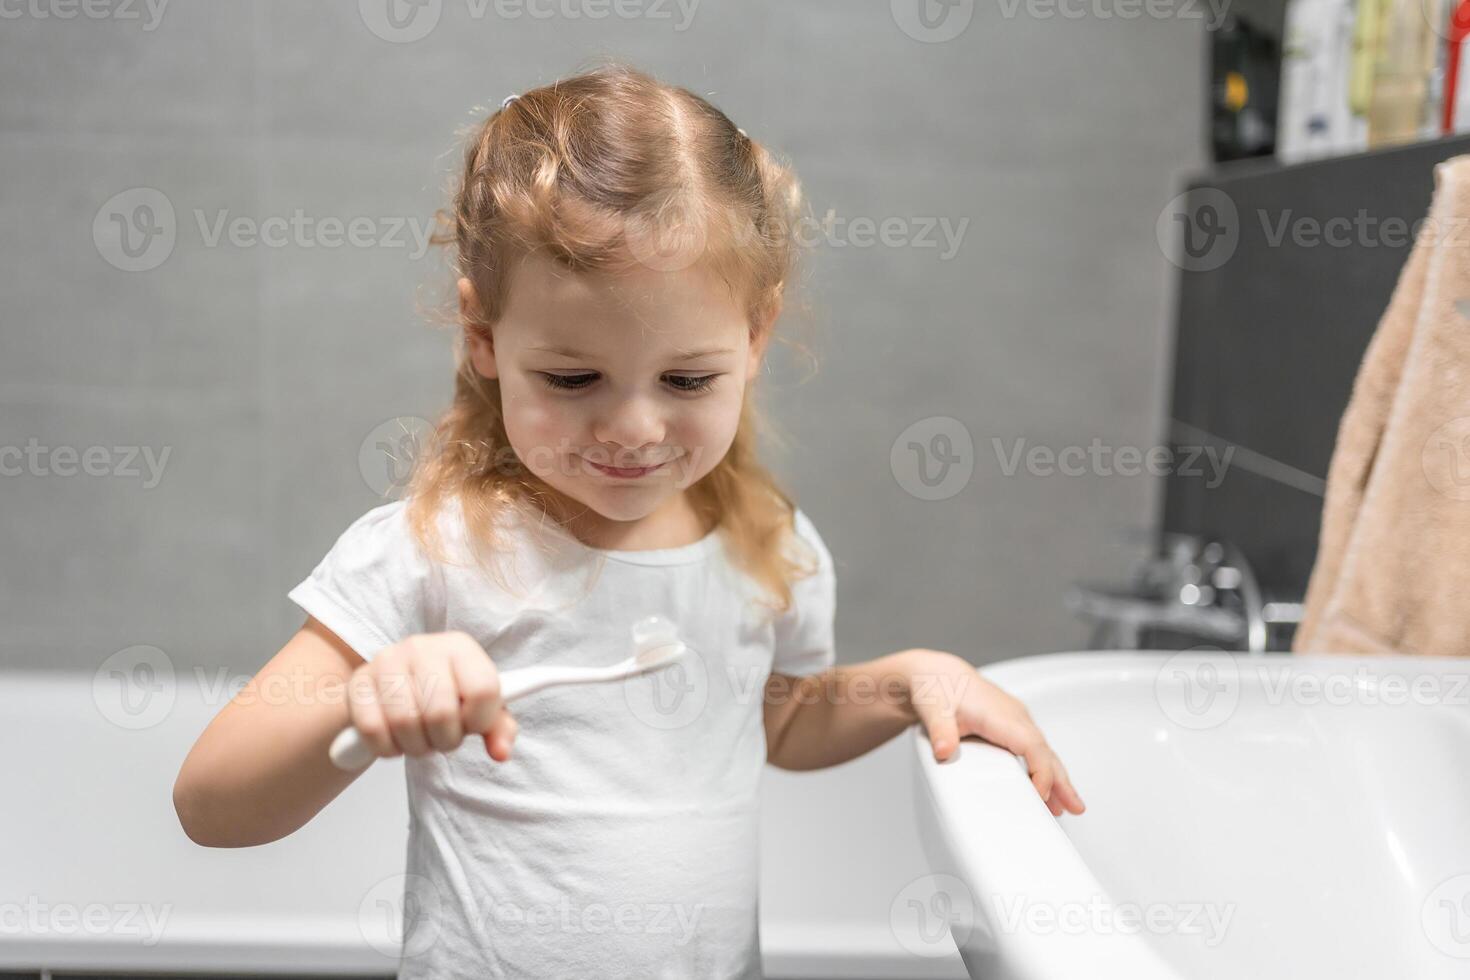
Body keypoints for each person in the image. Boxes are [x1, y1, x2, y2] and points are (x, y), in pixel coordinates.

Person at [172, 60, 1084, 979]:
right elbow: (211, 806)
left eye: (687, 380)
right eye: (572, 379)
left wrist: (903, 681)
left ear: (757, 336)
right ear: (483, 337)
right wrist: (369, 702)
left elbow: (779, 722)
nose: (634, 429)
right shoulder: (434, 551)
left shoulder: (765, 545)